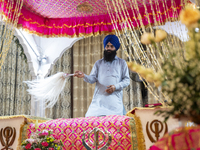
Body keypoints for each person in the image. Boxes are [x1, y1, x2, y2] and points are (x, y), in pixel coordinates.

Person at [74, 35, 130, 117]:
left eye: (111, 46)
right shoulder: (98, 63)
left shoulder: (122, 63)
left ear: (116, 48)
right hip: (98, 103)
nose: (109, 49)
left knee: (114, 125)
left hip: (114, 103)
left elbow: (126, 80)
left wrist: (115, 86)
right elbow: (92, 79)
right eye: (107, 46)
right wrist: (84, 76)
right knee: (92, 124)